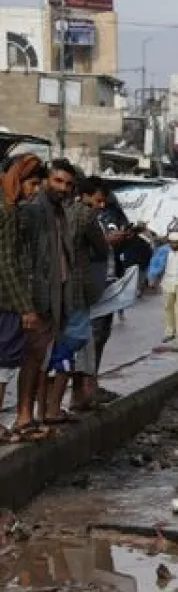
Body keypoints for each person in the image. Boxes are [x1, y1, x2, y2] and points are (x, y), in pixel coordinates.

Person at [19, 160, 88, 430]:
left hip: (56, 297)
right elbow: (25, 257)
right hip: (37, 296)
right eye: (58, 181)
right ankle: (24, 415)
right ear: (47, 181)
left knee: (41, 359)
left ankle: (37, 413)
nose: (63, 188)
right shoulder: (35, 210)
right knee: (30, 358)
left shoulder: (60, 212)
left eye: (68, 184)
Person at [0, 155, 45, 436]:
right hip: (6, 301)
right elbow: (6, 263)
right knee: (4, 362)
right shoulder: (8, 212)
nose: (35, 190)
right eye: (33, 183)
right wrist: (24, 307)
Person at [68, 177, 112, 412]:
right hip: (79, 289)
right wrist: (110, 241)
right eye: (98, 200)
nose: (101, 205)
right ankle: (80, 395)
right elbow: (102, 249)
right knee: (81, 343)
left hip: (65, 289)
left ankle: (76, 397)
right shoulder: (87, 216)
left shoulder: (65, 211)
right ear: (85, 196)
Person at [149, 231, 178, 342]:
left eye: (177, 243)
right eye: (172, 243)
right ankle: (169, 332)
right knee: (168, 307)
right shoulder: (162, 251)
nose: (175, 245)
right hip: (166, 281)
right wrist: (152, 277)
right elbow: (154, 263)